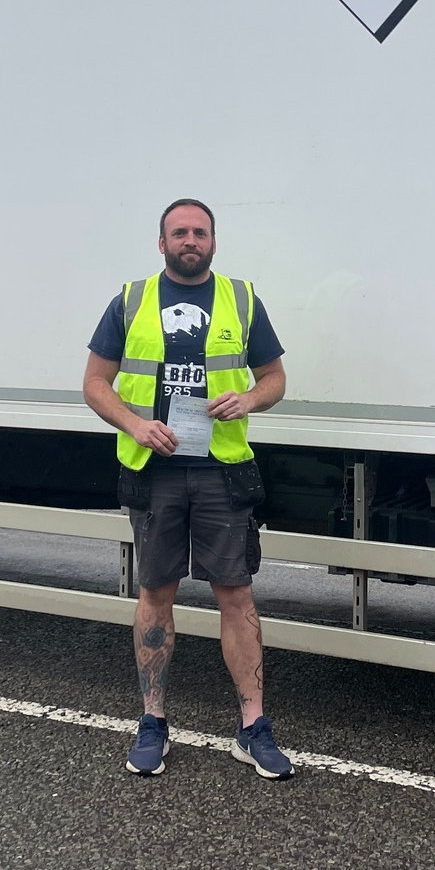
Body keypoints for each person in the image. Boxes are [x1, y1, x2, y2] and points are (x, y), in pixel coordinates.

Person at [82, 198, 293, 779]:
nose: (190, 240)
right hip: (156, 474)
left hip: (222, 472)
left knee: (237, 596)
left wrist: (249, 398)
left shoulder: (242, 299)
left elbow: (274, 377)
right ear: (162, 243)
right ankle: (153, 721)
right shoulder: (131, 301)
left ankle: (253, 727)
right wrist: (134, 424)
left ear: (214, 243)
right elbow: (95, 383)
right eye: (180, 232)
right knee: (156, 596)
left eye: (200, 232)